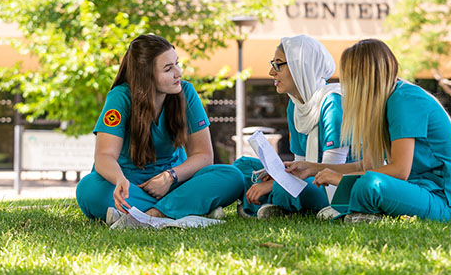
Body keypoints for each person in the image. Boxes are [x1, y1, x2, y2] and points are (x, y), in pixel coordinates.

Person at [287, 39, 451, 223]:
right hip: (413, 190)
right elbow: (366, 166)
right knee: (362, 183)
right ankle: (364, 212)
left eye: (348, 76)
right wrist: (314, 168)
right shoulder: (377, 107)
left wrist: (340, 179)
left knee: (370, 185)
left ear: (361, 77)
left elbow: (399, 171)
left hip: (445, 202)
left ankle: (363, 211)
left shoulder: (404, 100)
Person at [75, 34, 244, 226]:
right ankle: (186, 208)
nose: (178, 73)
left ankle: (150, 215)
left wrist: (170, 177)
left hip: (175, 182)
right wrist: (119, 179)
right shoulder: (120, 97)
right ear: (146, 75)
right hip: (131, 186)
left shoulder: (186, 92)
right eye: (168, 69)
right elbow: (104, 156)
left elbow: (204, 156)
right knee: (88, 190)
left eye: (177, 64)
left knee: (233, 176)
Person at [236, 35, 348, 219]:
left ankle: (269, 203)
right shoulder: (295, 105)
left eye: (279, 64)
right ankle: (275, 203)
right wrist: (279, 175)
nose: (272, 72)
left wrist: (278, 182)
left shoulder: (332, 102)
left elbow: (332, 172)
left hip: (330, 186)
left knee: (283, 188)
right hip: (309, 177)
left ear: (301, 66)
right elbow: (300, 163)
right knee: (244, 166)